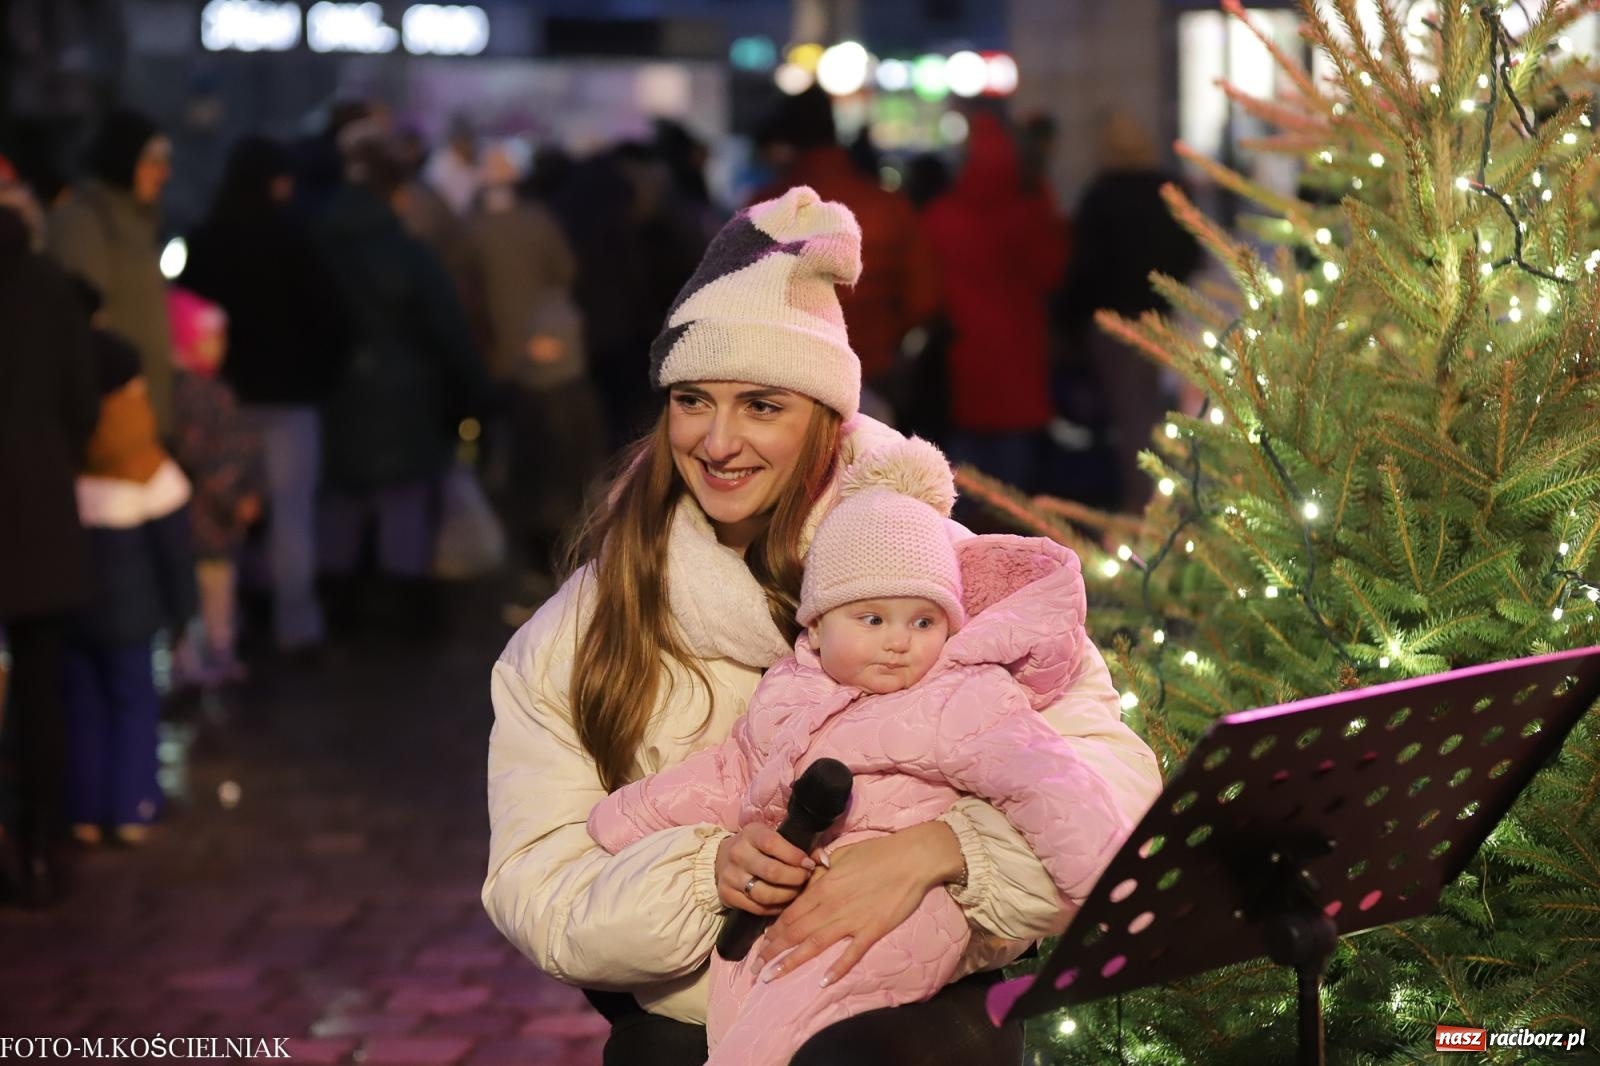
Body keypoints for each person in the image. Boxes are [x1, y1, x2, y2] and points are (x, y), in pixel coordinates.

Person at [483, 185, 1161, 1066]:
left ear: (826, 418)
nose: (718, 440)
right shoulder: (585, 625)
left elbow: (1113, 790)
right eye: (693, 399)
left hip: (922, 1029)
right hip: (691, 1037)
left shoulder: (934, 576)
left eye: (762, 405)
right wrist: (703, 874)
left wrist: (946, 851)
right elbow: (535, 880)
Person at [587, 437, 1130, 1066]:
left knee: (782, 1036)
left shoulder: (960, 695)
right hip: (791, 917)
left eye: (923, 622)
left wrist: (1110, 894)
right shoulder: (789, 691)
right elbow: (731, 770)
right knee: (745, 1021)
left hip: (898, 916)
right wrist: (625, 818)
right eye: (872, 619)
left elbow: (1047, 783)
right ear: (816, 626)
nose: (900, 642)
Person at [180, 136, 351, 657]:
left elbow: (186, 313)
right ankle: (294, 626)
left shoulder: (207, 239)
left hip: (222, 403)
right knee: (292, 516)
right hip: (290, 399)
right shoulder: (296, 238)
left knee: (220, 518)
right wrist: (321, 377)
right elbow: (333, 318)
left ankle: (225, 627)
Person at [0, 164, 101, 906]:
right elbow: (81, 399)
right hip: (36, 501)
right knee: (42, 682)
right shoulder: (47, 286)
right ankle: (44, 836)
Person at [66, 284, 196, 848]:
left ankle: (85, 810)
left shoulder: (65, 463)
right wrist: (182, 611)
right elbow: (174, 553)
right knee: (134, 706)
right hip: (132, 617)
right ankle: (133, 804)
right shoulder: (151, 471)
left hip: (72, 610)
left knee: (81, 710)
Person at [463, 145, 604, 610]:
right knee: (556, 465)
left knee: (512, 464)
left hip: (498, 363)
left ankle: (518, 563)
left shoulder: (472, 229)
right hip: (550, 357)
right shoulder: (539, 222)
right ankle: (551, 568)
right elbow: (567, 271)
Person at [753, 87, 940, 425]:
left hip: (790, 378)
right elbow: (922, 300)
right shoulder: (890, 206)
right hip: (874, 371)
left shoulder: (766, 209)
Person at [1057, 110, 1202, 514]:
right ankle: (1178, 504)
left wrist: (1071, 321)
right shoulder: (1169, 191)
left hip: (1114, 322)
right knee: (1167, 411)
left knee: (1133, 417)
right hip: (1161, 316)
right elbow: (1191, 250)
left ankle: (1147, 509)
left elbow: (1083, 267)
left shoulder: (1099, 197)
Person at [923, 112, 1068, 496]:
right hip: (1020, 359)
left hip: (966, 360)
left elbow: (927, 293)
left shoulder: (942, 217)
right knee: (1015, 494)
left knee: (962, 486)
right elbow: (1052, 273)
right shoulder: (1029, 214)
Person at [48, 108, 177, 436]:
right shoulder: (86, 222)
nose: (164, 172)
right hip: (111, 417)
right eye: (153, 159)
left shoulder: (141, 223)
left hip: (144, 411)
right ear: (125, 157)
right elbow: (80, 321)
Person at [166, 287, 263, 685]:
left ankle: (205, 654)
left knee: (207, 587)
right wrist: (236, 498)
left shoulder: (201, 391)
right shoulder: (199, 395)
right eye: (211, 338)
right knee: (207, 589)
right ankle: (203, 656)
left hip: (206, 517)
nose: (219, 347)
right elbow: (208, 459)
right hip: (207, 517)